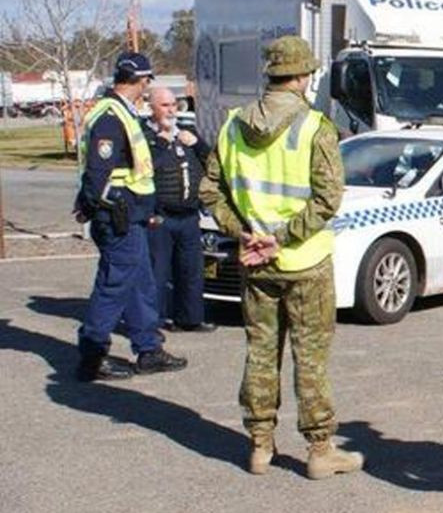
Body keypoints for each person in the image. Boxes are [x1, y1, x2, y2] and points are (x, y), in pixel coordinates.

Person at [199, 36, 363, 480]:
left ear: (271, 74)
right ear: (304, 77)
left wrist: (245, 233)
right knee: (309, 357)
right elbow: (329, 198)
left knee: (260, 351)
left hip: (255, 264)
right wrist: (281, 236)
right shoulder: (314, 126)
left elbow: (210, 190)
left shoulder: (233, 125)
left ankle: (259, 445)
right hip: (304, 261)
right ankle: (319, 449)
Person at [74, 52, 188, 382]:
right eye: (147, 81)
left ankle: (148, 348)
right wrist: (97, 205)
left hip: (131, 214)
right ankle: (92, 355)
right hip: (118, 216)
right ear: (141, 81)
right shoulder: (110, 116)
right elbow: (98, 172)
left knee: (140, 282)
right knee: (114, 285)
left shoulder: (121, 112)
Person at [145, 86, 214, 333]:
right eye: (164, 105)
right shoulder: (146, 137)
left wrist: (196, 145)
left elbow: (213, 162)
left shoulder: (187, 133)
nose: (171, 110)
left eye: (174, 104)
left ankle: (191, 318)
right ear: (151, 107)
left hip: (188, 215)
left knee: (191, 270)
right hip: (160, 216)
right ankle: (155, 320)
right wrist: (161, 145)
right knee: (158, 272)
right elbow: (145, 170)